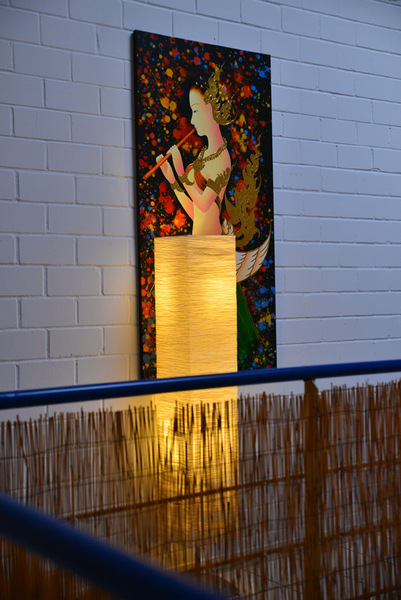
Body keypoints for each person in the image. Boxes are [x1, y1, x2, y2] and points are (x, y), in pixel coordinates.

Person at [156, 68, 233, 235]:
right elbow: (196, 214)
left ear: (213, 109)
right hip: (199, 241)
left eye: (196, 111)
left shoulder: (222, 158)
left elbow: (204, 204)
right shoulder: (205, 153)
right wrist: (172, 180)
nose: (192, 120)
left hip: (212, 243)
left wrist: (181, 173)